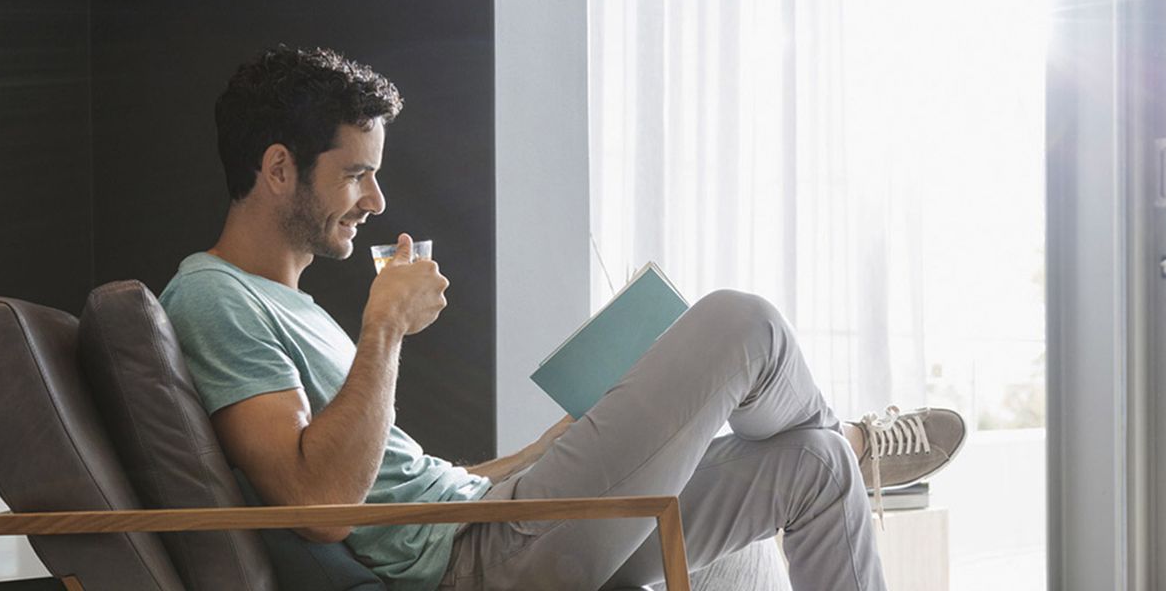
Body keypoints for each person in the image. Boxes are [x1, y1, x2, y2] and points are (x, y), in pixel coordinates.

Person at [159, 46, 967, 591]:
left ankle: (846, 447)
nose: (375, 201)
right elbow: (320, 507)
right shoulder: (213, 298)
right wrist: (384, 331)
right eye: (357, 176)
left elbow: (397, 488)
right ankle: (863, 441)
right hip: (485, 560)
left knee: (813, 464)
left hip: (494, 516)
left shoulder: (289, 307)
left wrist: (545, 451)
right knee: (742, 323)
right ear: (276, 169)